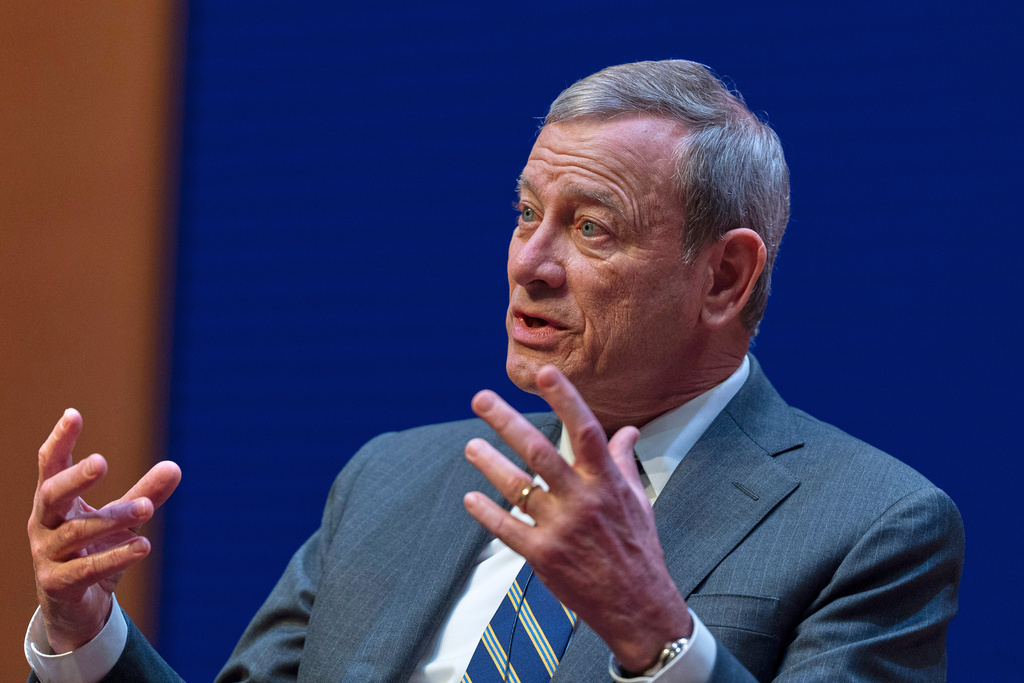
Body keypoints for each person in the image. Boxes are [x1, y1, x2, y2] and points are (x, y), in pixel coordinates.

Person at [26, 60, 964, 682]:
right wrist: (86, 632)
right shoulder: (390, 480)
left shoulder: (873, 526)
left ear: (724, 274)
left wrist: (656, 635)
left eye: (590, 227)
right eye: (526, 214)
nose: (531, 262)